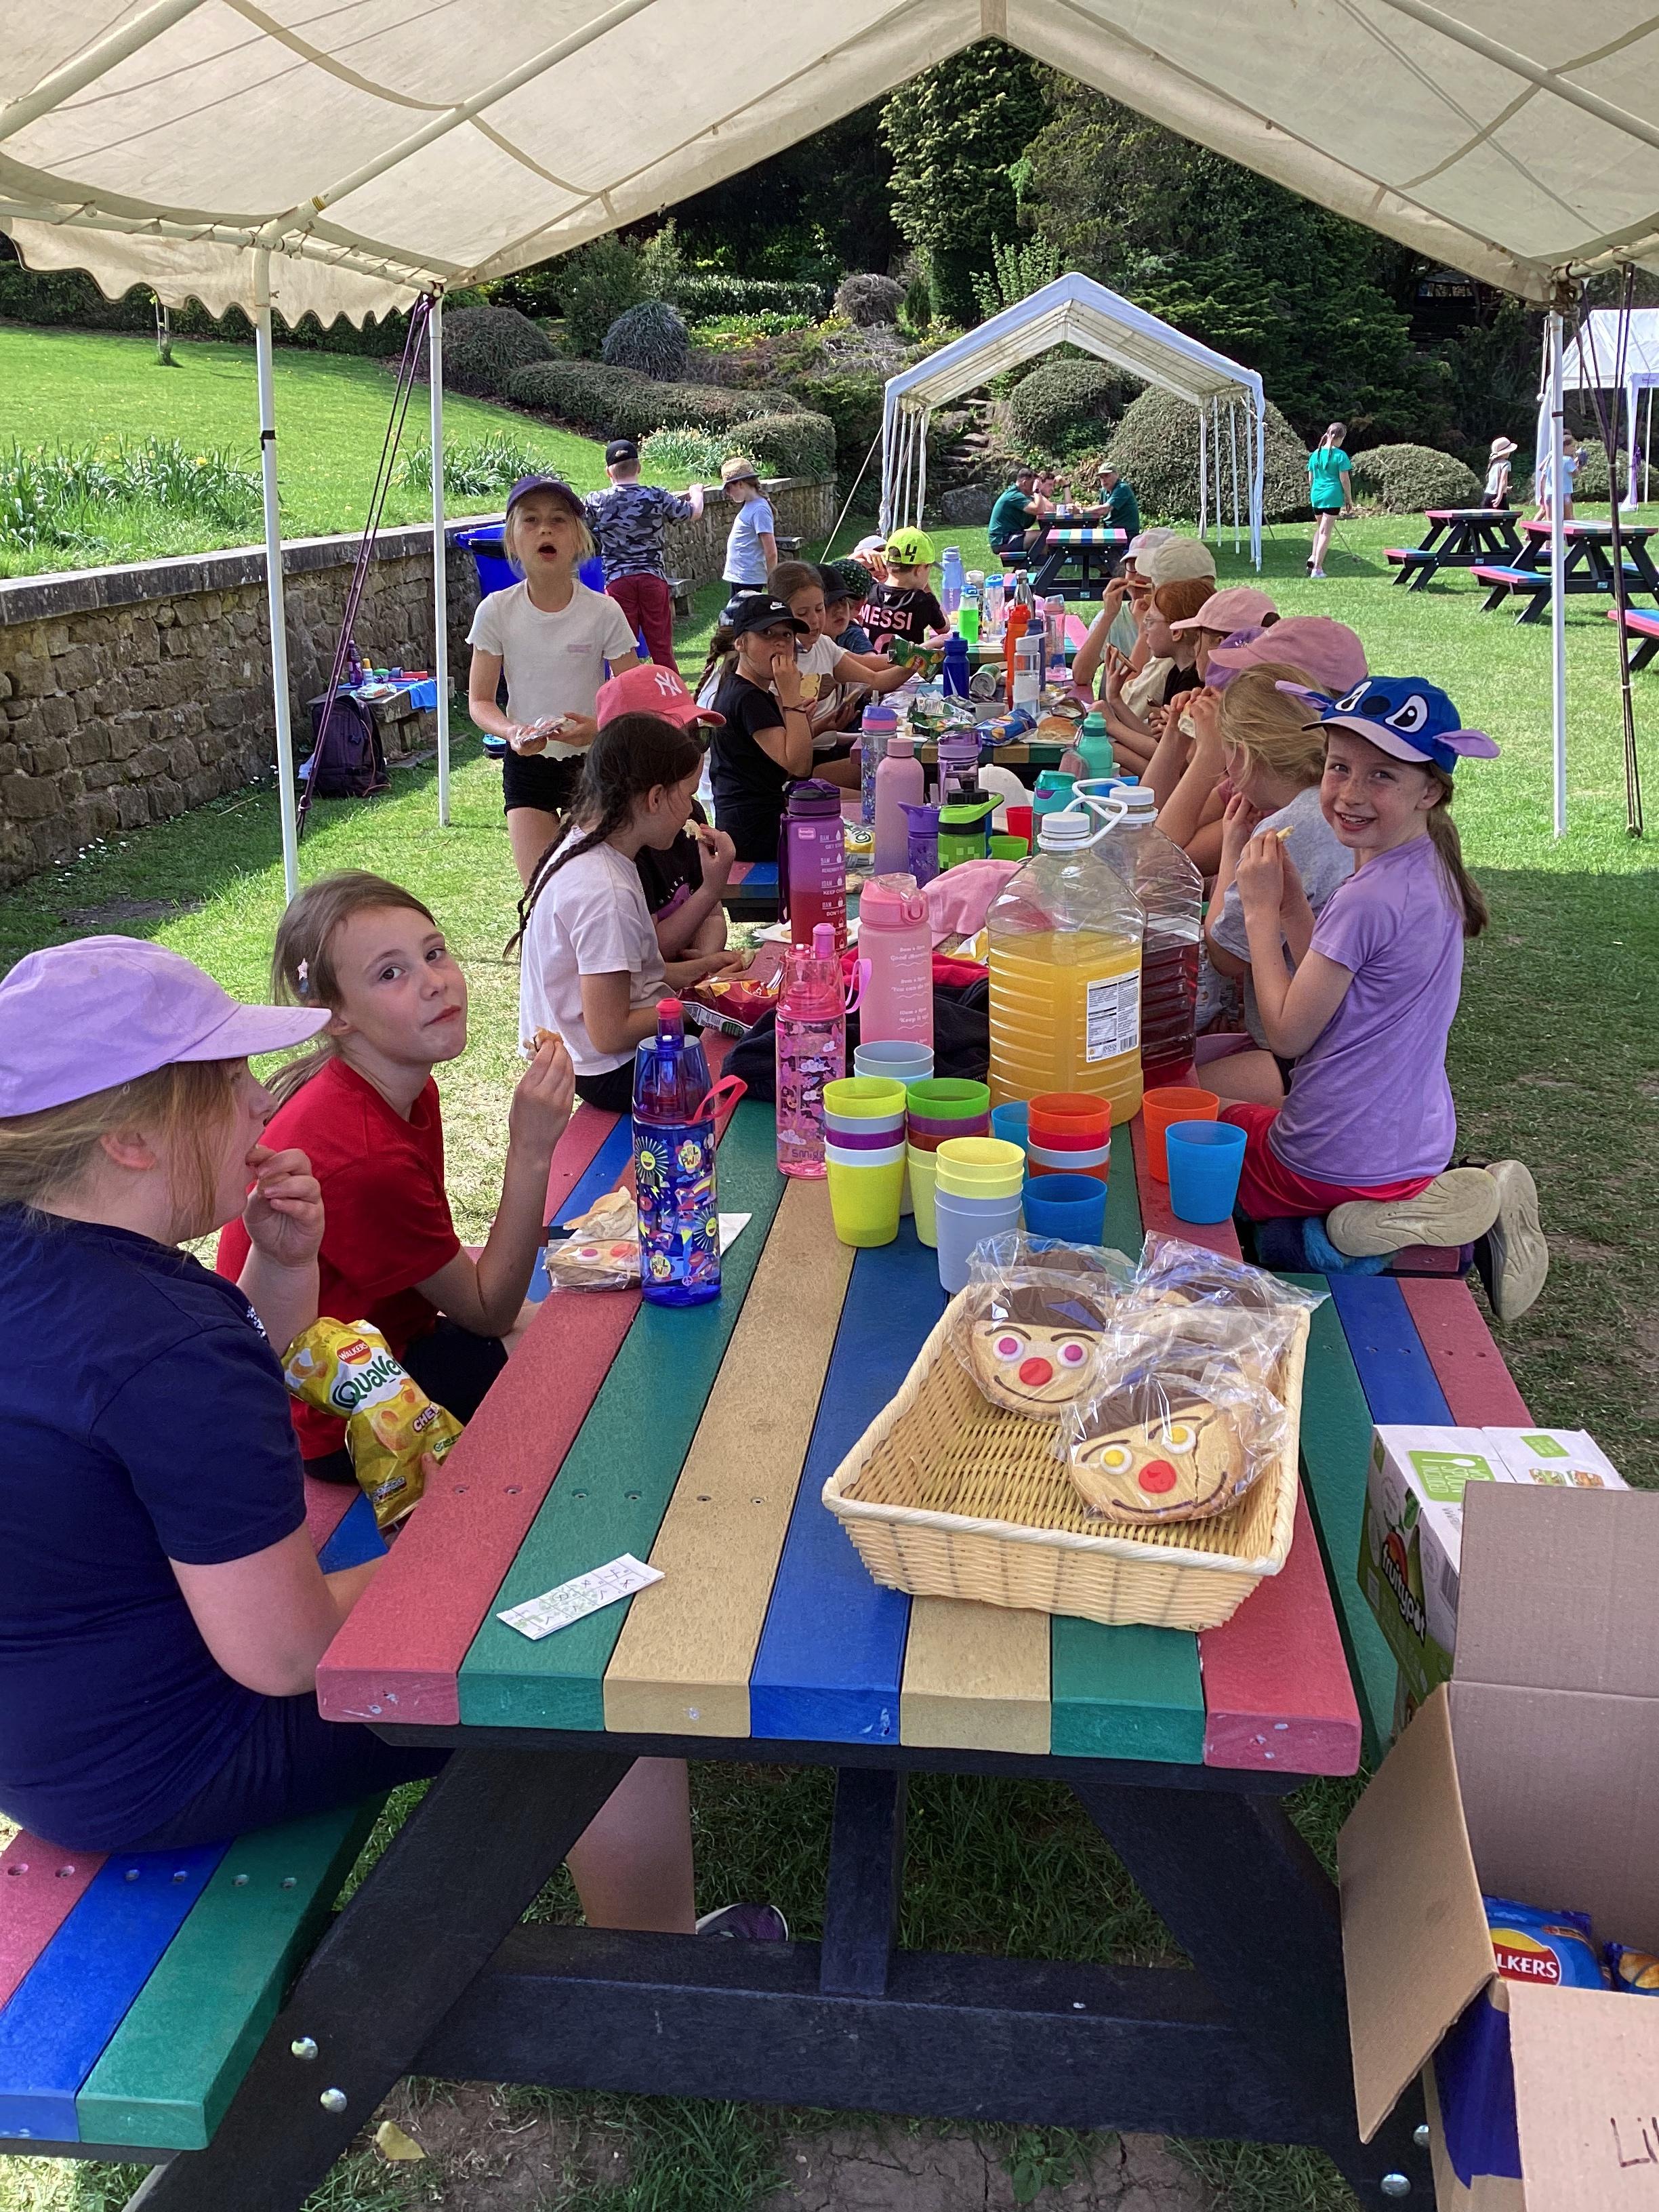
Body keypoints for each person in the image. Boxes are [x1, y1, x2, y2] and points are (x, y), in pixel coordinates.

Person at [0, 937, 710, 1926]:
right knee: (591, 1642)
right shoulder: (164, 1343)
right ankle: (657, 1970)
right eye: (228, 1080)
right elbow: (285, 1653)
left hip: (48, 1739)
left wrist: (283, 1272)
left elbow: (166, 1441)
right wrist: (486, 1544)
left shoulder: (56, 1264)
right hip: (171, 1757)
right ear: (130, 1137)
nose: (261, 1101)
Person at [216, 872, 576, 1483]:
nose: (434, 981)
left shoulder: (397, 1086)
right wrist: (532, 1149)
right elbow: (487, 1311)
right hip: (341, 1419)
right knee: (578, 1349)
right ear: (334, 1017)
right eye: (391, 973)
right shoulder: (363, 1155)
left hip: (382, 1349)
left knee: (575, 1315)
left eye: (434, 953)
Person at [1212, 677, 1547, 1317]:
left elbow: (1289, 1034)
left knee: (1207, 1141)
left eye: (1382, 776)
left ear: (1431, 790)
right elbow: (1341, 992)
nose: (1350, 793)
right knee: (1242, 1119)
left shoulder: (1367, 897)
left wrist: (1257, 912)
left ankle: (1346, 1241)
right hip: (1416, 1148)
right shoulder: (1429, 869)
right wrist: (1290, 908)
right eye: (1339, 767)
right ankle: (1405, 1210)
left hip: (1329, 1156)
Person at [513, 713, 747, 1113]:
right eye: (687, 795)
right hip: (616, 1070)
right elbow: (609, 1032)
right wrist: (702, 1003)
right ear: (655, 798)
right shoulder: (604, 891)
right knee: (757, 1063)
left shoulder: (591, 847)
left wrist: (704, 970)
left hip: (600, 1058)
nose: (690, 811)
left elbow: (633, 976)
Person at [467, 474, 640, 888]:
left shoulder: (604, 612)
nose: (545, 530)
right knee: (540, 892)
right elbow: (480, 701)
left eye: (558, 520)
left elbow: (633, 696)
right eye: (531, 520)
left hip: (595, 762)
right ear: (513, 540)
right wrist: (512, 732)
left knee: (600, 887)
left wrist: (599, 728)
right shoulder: (495, 611)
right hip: (528, 765)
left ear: (578, 539)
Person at [596, 662, 735, 963]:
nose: (694, 754)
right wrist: (711, 891)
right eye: (678, 742)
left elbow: (712, 917)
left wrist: (705, 959)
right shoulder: (621, 848)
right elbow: (649, 955)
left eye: (698, 736)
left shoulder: (688, 813)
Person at [699, 593, 815, 861]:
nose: (780, 642)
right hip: (754, 834)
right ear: (740, 643)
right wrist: (792, 699)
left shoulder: (745, 689)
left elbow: (783, 763)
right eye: (767, 633)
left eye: (787, 635)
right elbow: (799, 766)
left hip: (751, 825)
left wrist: (799, 718)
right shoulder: (748, 697)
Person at [770, 558, 909, 768]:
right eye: (802, 613)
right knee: (887, 770)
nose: (814, 620)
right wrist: (826, 726)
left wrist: (918, 661)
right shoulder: (779, 665)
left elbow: (875, 680)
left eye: (819, 609)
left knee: (892, 762)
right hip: (803, 765)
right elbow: (787, 750)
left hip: (828, 749)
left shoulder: (823, 645)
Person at [584, 438, 704, 671]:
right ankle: (670, 692)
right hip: (653, 580)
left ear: (608, 472)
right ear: (638, 468)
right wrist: (696, 492)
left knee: (621, 652)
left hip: (618, 582)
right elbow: (694, 512)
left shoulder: (597, 500)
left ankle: (624, 694)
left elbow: (577, 526)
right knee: (662, 650)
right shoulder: (656, 496)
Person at [1099, 574, 1212, 777]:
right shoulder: (1176, 672)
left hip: (1185, 776)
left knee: (1110, 752)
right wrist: (1115, 699)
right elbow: (1157, 740)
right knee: (1111, 754)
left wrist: (1113, 726)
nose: (1144, 630)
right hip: (1175, 769)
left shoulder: (1193, 682)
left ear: (1176, 632)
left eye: (1149, 622)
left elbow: (1175, 756)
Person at [858, 527, 947, 657]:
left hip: (868, 665)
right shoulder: (922, 601)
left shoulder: (869, 589)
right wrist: (926, 588)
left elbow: (842, 569)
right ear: (920, 569)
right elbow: (945, 629)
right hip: (904, 668)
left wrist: (860, 555)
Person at [720, 455, 777, 594]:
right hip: (742, 578)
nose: (728, 494)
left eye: (729, 488)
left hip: (748, 580)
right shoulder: (750, 505)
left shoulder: (760, 509)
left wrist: (772, 582)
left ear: (740, 484)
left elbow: (771, 552)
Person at [1306, 423, 1353, 579]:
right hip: (1332, 495)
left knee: (1320, 528)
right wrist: (1348, 498)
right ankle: (1317, 569)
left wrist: (1315, 492)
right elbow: (1344, 480)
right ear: (1339, 438)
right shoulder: (1340, 455)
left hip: (1317, 495)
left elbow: (1311, 479)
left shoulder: (1315, 454)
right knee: (1325, 532)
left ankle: (1314, 557)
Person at [988, 468, 1044, 560]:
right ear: (1025, 483)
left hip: (1008, 537)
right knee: (1044, 536)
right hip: (1003, 541)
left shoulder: (1019, 495)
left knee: (1043, 535)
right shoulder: (1014, 496)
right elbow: (1039, 510)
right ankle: (1043, 567)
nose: (1033, 487)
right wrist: (1037, 490)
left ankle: (1041, 566)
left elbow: (1044, 508)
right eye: (1032, 484)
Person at [821, 560, 874, 654]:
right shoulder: (852, 632)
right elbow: (870, 659)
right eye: (828, 603)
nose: (839, 609)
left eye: (842, 599)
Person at [1533, 432, 1581, 522]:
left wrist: (1542, 495)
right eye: (1572, 447)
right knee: (1568, 521)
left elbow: (1543, 477)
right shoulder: (1568, 460)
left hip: (1549, 494)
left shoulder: (1551, 459)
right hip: (1564, 495)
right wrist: (1580, 463)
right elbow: (1575, 474)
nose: (1574, 449)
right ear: (1565, 447)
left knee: (1550, 522)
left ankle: (1532, 529)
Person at [1088, 461, 1141, 542]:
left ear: (1117, 475)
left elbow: (1104, 509)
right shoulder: (1104, 491)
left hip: (1126, 535)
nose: (1104, 480)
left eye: (1107, 476)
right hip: (1111, 532)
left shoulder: (1122, 488)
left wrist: (1080, 510)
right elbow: (1099, 512)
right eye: (1101, 477)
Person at [1482, 436, 1517, 510]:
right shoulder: (1506, 464)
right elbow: (1503, 481)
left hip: (1487, 496)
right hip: (1498, 497)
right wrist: (1499, 497)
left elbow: (1494, 482)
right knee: (1506, 517)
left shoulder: (1493, 463)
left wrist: (1505, 488)